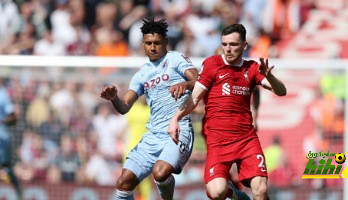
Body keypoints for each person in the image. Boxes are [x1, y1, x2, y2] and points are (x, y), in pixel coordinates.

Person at [168, 24, 287, 200]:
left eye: (233, 44)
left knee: (261, 190)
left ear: (244, 46)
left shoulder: (252, 68)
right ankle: (234, 194)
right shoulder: (211, 64)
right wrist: (175, 118)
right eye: (224, 44)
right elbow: (194, 98)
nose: (228, 49)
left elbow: (281, 91)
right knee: (217, 192)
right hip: (218, 140)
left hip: (246, 139)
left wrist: (269, 76)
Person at [100, 17, 198, 200]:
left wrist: (185, 84)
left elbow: (200, 82)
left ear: (165, 42)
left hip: (178, 130)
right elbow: (124, 107)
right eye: (148, 43)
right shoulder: (142, 74)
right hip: (152, 135)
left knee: (160, 173)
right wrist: (114, 99)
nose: (152, 47)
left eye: (157, 43)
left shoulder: (175, 59)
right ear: (143, 44)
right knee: (123, 183)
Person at [0, 80, 22, 200]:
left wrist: (2, 121)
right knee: (6, 169)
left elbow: (13, 117)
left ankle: (19, 193)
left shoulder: (2, 95)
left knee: (6, 169)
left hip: (2, 140)